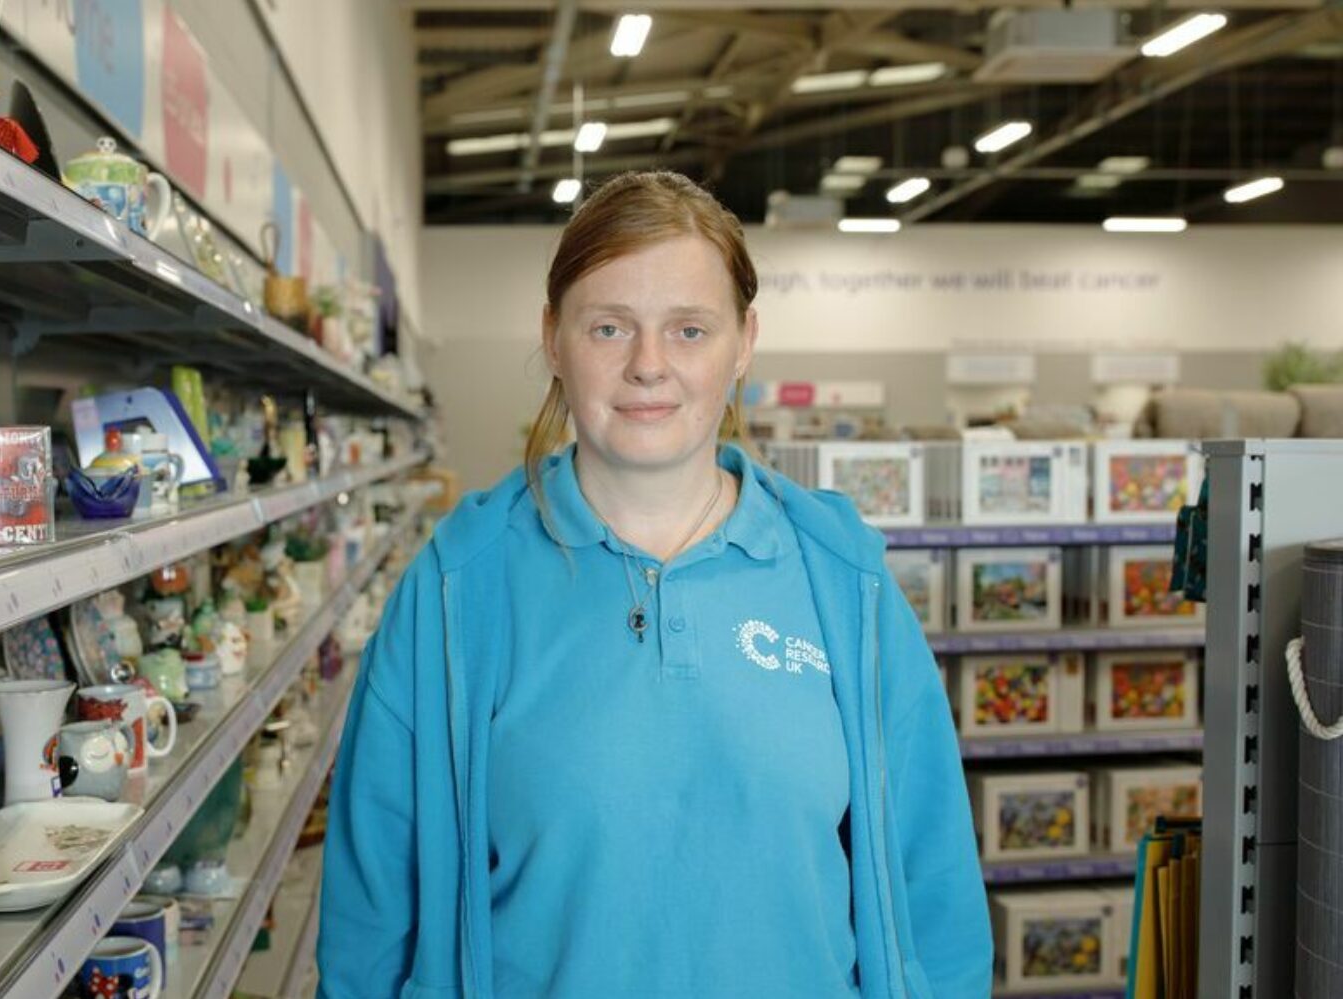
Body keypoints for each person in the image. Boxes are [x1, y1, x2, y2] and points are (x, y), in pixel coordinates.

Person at [317, 171, 990, 998]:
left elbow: (936, 895)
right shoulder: (459, 590)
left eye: (689, 330)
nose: (647, 366)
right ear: (553, 338)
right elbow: (370, 919)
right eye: (608, 327)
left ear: (743, 342)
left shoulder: (842, 581)